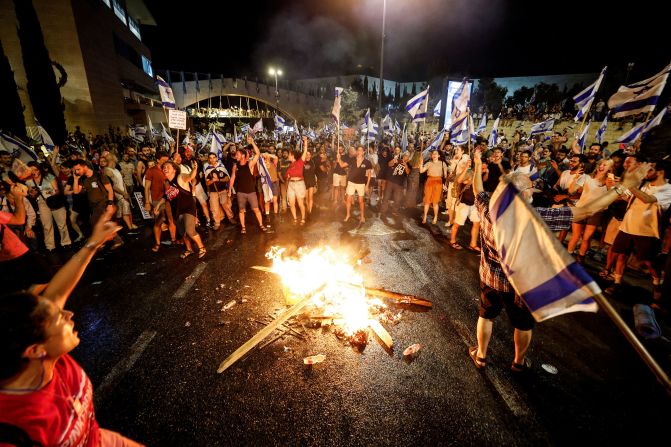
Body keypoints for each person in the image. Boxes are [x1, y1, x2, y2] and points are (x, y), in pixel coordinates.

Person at [468, 148, 649, 373]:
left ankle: (482, 355)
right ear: (522, 194)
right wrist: (623, 187)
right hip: (522, 285)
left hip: (491, 277)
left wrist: (477, 163)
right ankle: (518, 362)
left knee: (486, 316)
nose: (533, 189)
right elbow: (585, 211)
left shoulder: (487, 208)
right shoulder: (537, 217)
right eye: (530, 186)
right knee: (523, 324)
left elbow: (478, 189)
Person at [0, 208, 144, 447]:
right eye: (58, 318)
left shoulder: (48, 355)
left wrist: (93, 244)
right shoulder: (14, 426)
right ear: (35, 350)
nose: (68, 313)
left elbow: (55, 293)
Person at [607, 160, 671, 295]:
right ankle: (616, 283)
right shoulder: (644, 184)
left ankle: (656, 286)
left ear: (660, 172)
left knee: (649, 262)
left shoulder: (668, 189)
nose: (645, 173)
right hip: (627, 227)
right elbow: (626, 197)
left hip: (646, 231)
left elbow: (647, 199)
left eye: (649, 170)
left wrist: (630, 186)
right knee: (621, 256)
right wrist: (613, 188)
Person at [155, 160, 206, 259]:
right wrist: (157, 206)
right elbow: (166, 197)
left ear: (174, 169)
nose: (165, 169)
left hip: (188, 208)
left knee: (190, 231)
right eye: (164, 168)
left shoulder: (180, 177)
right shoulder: (167, 183)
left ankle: (202, 247)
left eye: (168, 167)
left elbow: (190, 176)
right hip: (177, 211)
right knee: (183, 233)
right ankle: (189, 249)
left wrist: (195, 168)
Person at [566, 159, 613, 263]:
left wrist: (610, 186)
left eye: (605, 165)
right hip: (580, 209)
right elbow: (571, 191)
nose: (601, 166)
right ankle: (566, 258)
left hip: (595, 212)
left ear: (610, 168)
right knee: (575, 235)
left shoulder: (609, 182)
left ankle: (580, 260)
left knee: (586, 239)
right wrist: (576, 178)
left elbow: (611, 198)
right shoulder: (586, 177)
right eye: (600, 164)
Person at [72, 159, 123, 250]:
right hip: (94, 206)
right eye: (75, 170)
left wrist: (110, 204)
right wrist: (76, 179)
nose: (76, 172)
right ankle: (116, 240)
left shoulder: (99, 175)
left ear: (85, 167)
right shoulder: (82, 179)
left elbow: (110, 190)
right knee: (103, 224)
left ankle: (100, 243)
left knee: (95, 223)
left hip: (103, 203)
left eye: (78, 169)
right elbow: (76, 192)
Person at [25, 161, 72, 252]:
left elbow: (57, 190)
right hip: (42, 202)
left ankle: (66, 242)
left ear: (39, 169)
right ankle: (50, 246)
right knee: (47, 225)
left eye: (36, 170)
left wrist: (49, 193)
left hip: (54, 200)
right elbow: (31, 195)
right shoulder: (29, 181)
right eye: (31, 170)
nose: (34, 172)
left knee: (61, 224)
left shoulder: (48, 176)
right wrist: (33, 194)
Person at [228, 136, 269, 234]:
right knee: (242, 211)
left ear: (242, 155)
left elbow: (258, 154)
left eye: (237, 154)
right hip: (240, 192)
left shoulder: (249, 164)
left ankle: (261, 225)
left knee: (256, 209)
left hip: (251, 192)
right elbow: (232, 178)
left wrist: (252, 142)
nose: (236, 156)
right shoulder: (235, 166)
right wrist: (230, 190)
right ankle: (243, 227)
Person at [144, 151, 177, 252]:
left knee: (171, 220)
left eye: (167, 161)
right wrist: (147, 202)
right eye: (164, 161)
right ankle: (157, 243)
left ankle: (173, 240)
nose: (166, 163)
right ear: (157, 160)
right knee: (159, 221)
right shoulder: (151, 171)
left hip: (169, 198)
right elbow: (147, 187)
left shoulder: (168, 169)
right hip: (157, 199)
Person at [339, 145, 372, 224]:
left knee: (361, 201)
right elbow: (342, 165)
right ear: (357, 151)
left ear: (363, 152)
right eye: (358, 150)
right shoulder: (352, 159)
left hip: (361, 184)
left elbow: (369, 174)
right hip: (351, 182)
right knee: (348, 199)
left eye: (361, 150)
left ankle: (362, 216)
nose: (359, 152)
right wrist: (339, 158)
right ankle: (348, 215)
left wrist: (367, 185)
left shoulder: (367, 162)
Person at [204, 152, 236, 230]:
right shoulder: (208, 169)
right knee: (214, 208)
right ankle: (217, 222)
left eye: (213, 157)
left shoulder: (221, 167)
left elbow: (227, 178)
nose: (212, 159)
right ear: (208, 159)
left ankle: (230, 217)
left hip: (223, 190)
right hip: (213, 192)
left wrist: (218, 179)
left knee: (226, 205)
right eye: (210, 158)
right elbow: (207, 183)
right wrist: (212, 180)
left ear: (216, 158)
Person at [284, 137, 309, 225]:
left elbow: (305, 151)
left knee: (300, 203)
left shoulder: (300, 162)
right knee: (291, 203)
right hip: (291, 185)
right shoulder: (289, 166)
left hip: (299, 184)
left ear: (293, 156)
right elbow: (287, 178)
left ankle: (303, 218)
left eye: (289, 154)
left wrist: (305, 141)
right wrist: (287, 187)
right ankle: (295, 218)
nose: (288, 156)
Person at [419, 150, 447, 224]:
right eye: (433, 154)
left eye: (436, 154)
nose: (434, 155)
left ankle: (435, 217)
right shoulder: (429, 163)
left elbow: (445, 176)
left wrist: (445, 184)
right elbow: (421, 171)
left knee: (435, 202)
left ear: (439, 156)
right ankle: (425, 216)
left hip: (438, 182)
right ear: (431, 156)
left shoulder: (442, 164)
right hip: (429, 181)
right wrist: (421, 163)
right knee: (427, 200)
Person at [380, 151, 411, 217]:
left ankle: (394, 211)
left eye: (408, 156)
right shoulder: (398, 160)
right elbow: (389, 164)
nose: (406, 157)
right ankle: (383, 211)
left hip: (399, 184)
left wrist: (405, 165)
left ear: (409, 158)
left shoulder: (409, 164)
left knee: (397, 199)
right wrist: (393, 161)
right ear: (403, 155)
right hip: (391, 181)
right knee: (386, 197)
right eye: (405, 155)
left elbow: (408, 172)